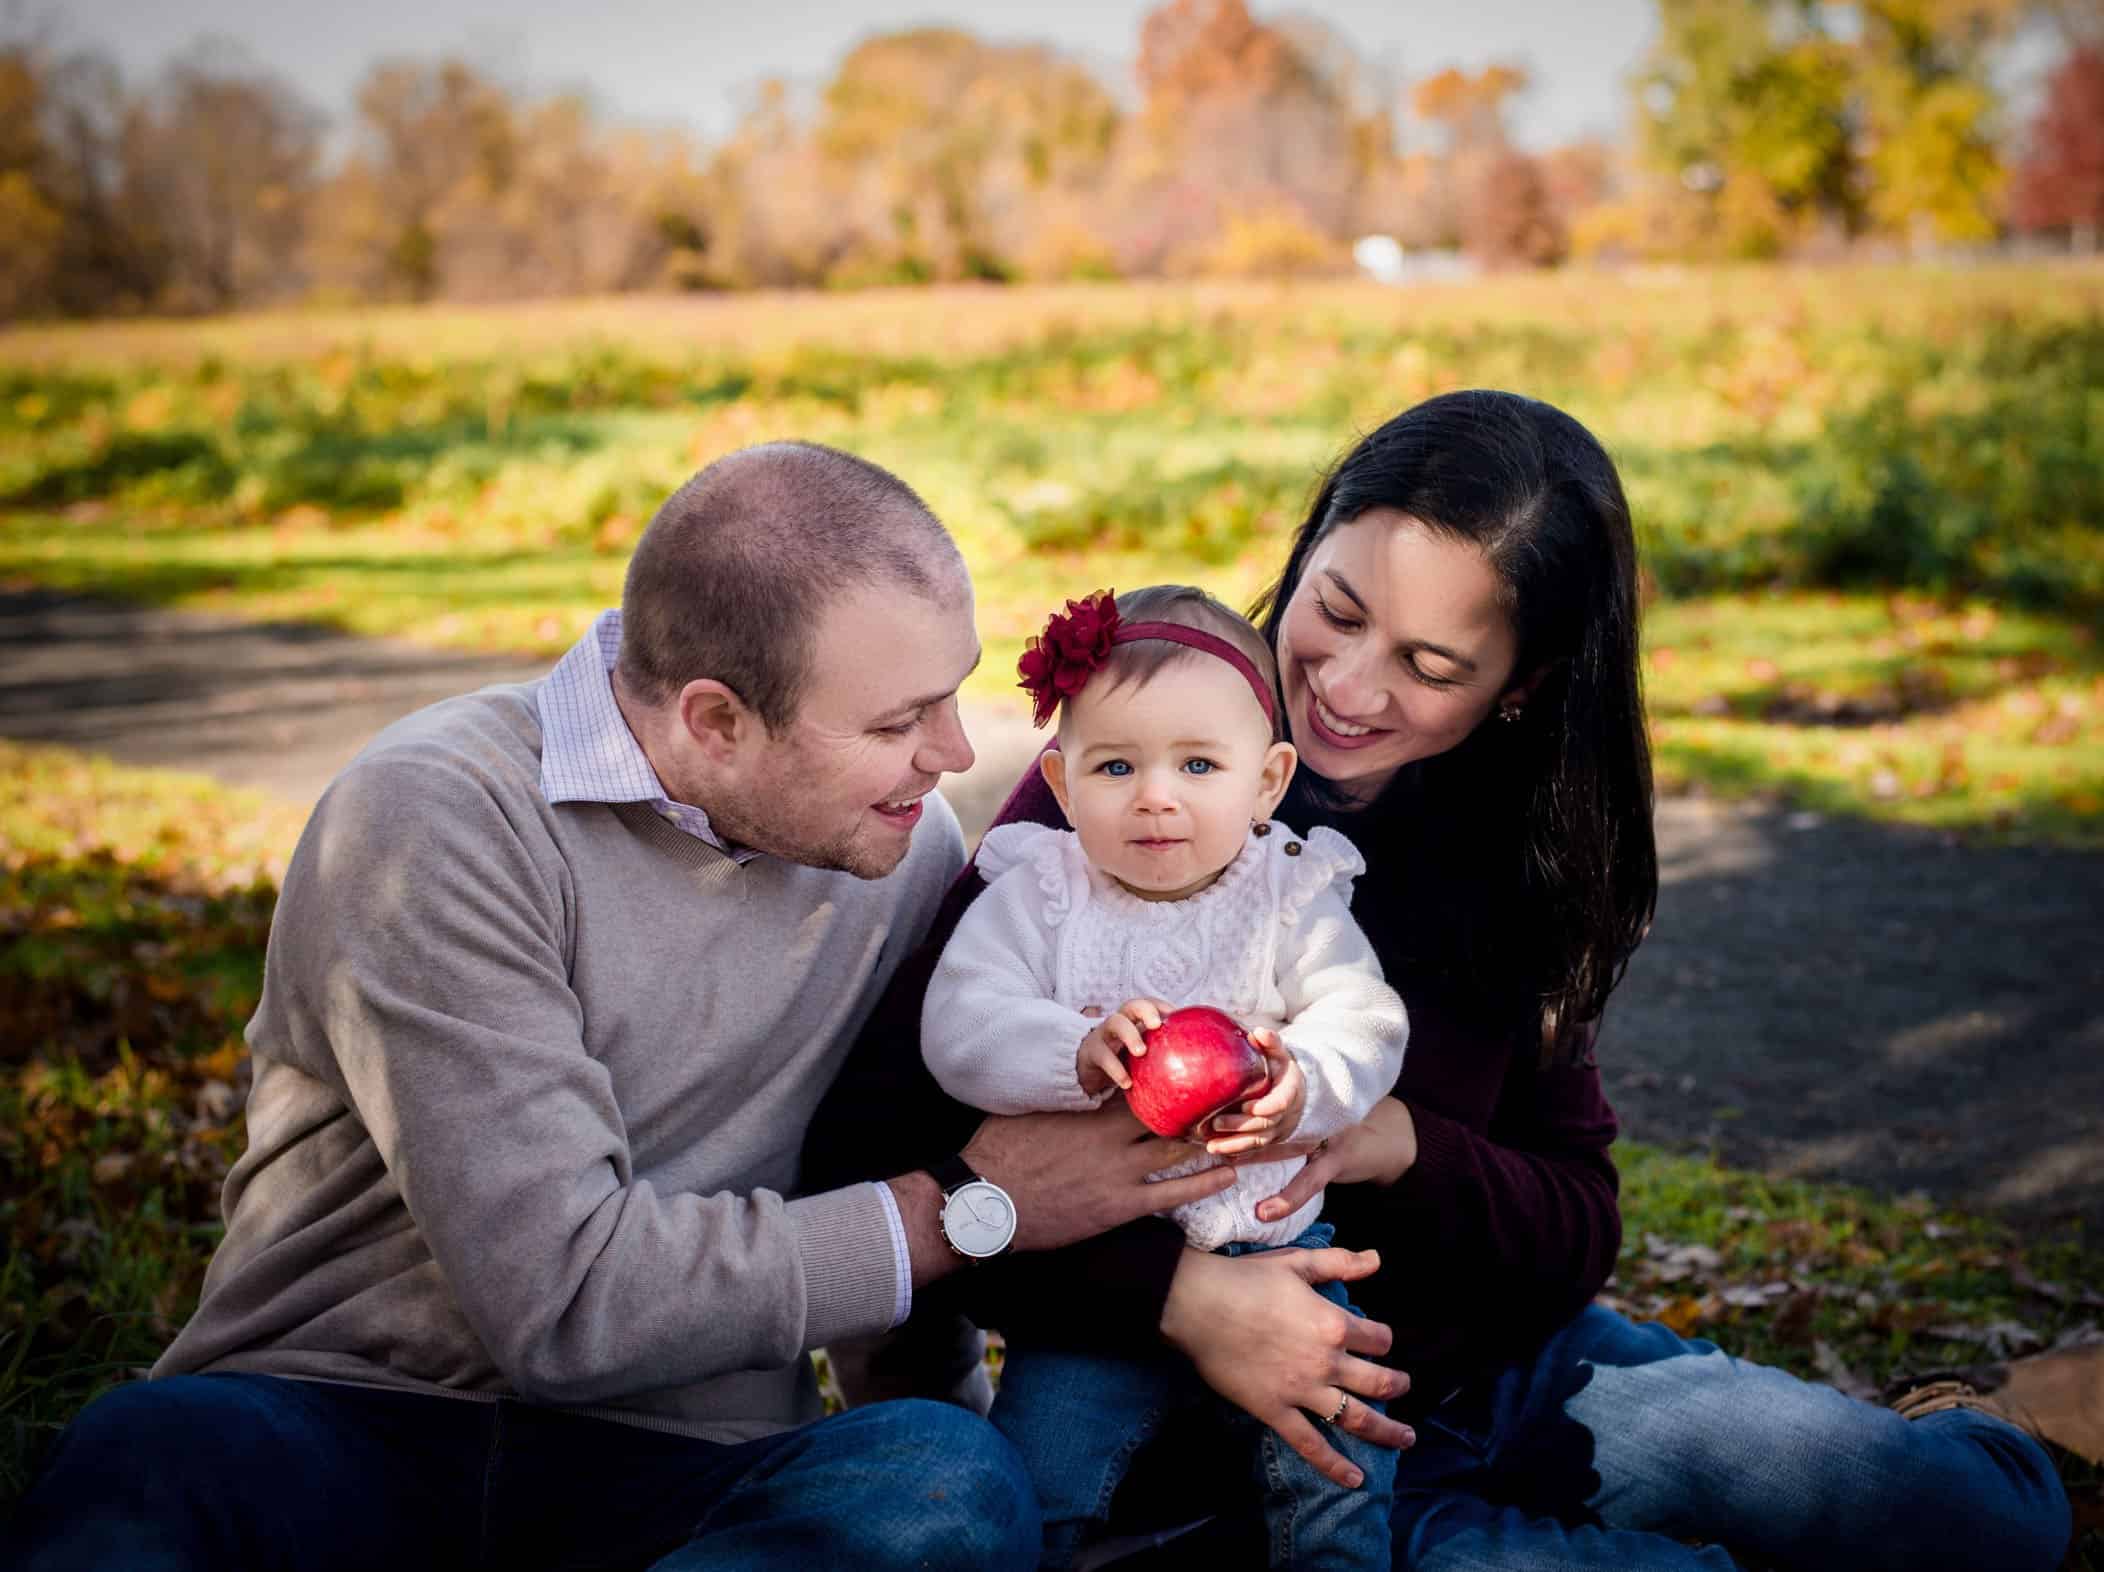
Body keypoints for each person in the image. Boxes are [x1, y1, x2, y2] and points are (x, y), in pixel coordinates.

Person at [810, 392, 2074, 1570]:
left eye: (1429, 665)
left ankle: (1978, 1426)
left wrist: (1401, 1142)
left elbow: (1578, 1224)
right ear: (1305, 554)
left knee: (1973, 1522)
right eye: (1339, 610)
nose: (1349, 691)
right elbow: (888, 1156)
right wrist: (1183, 1300)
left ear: (1517, 689)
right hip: (1258, 1448)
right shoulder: (1148, 778)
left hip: (1513, 1380)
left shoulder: (1518, 859)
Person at [10, 442, 1247, 1572]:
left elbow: (876, 1187)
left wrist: (966, 1468)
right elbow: (563, 1303)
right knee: (148, 1465)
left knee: (938, 1483)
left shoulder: (901, 844)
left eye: (950, 693)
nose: (952, 755)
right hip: (339, 1425)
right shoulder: (439, 819)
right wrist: (972, 1214)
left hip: (681, 1475)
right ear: (713, 719)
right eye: (893, 721)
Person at [921, 585, 1407, 1568]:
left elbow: (1365, 1015)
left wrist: (1305, 1083)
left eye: (1197, 764)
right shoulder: (1037, 894)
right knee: (1039, 1474)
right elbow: (959, 1024)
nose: (1156, 794)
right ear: (1058, 783)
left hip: (1273, 1245)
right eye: (1115, 765)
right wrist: (1070, 1051)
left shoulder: (1292, 894)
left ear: (1267, 781)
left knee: (1340, 1452)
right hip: (1100, 1277)